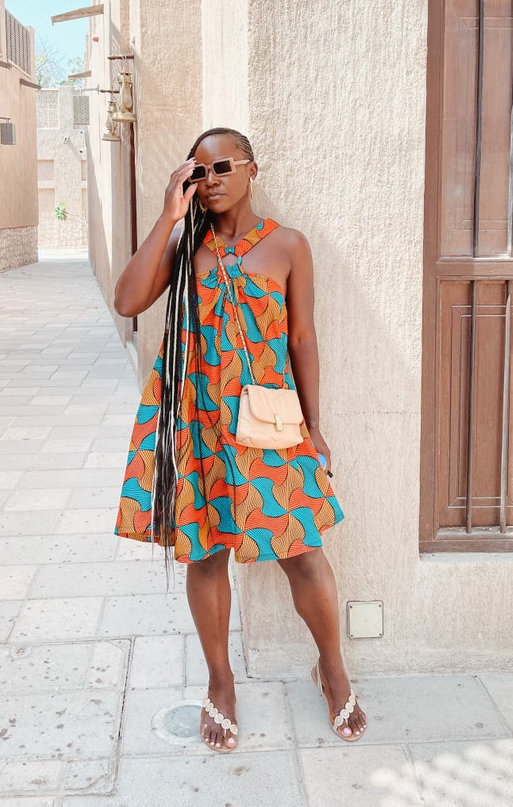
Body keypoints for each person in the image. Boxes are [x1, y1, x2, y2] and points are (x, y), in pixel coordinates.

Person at [114, 127, 367, 751]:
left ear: (254, 167)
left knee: (302, 551)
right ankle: (220, 682)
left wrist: (315, 426)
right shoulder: (186, 247)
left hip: (269, 423)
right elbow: (127, 301)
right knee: (205, 552)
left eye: (222, 166)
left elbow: (302, 340)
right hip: (197, 418)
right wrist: (168, 217)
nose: (212, 179)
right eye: (197, 172)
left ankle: (333, 672)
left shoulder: (287, 246)